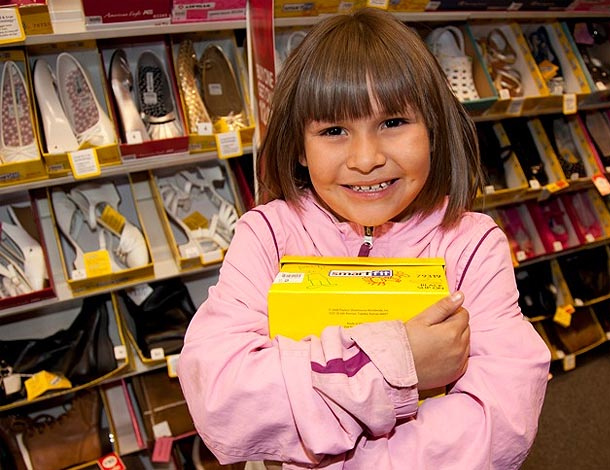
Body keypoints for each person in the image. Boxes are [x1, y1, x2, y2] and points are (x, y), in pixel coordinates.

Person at [178, 8, 550, 469]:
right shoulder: (268, 234)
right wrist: (399, 365)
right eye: (334, 130)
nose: (366, 158)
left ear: (433, 128)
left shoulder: (471, 244)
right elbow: (221, 397)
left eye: (393, 122)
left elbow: (502, 417)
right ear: (299, 145)